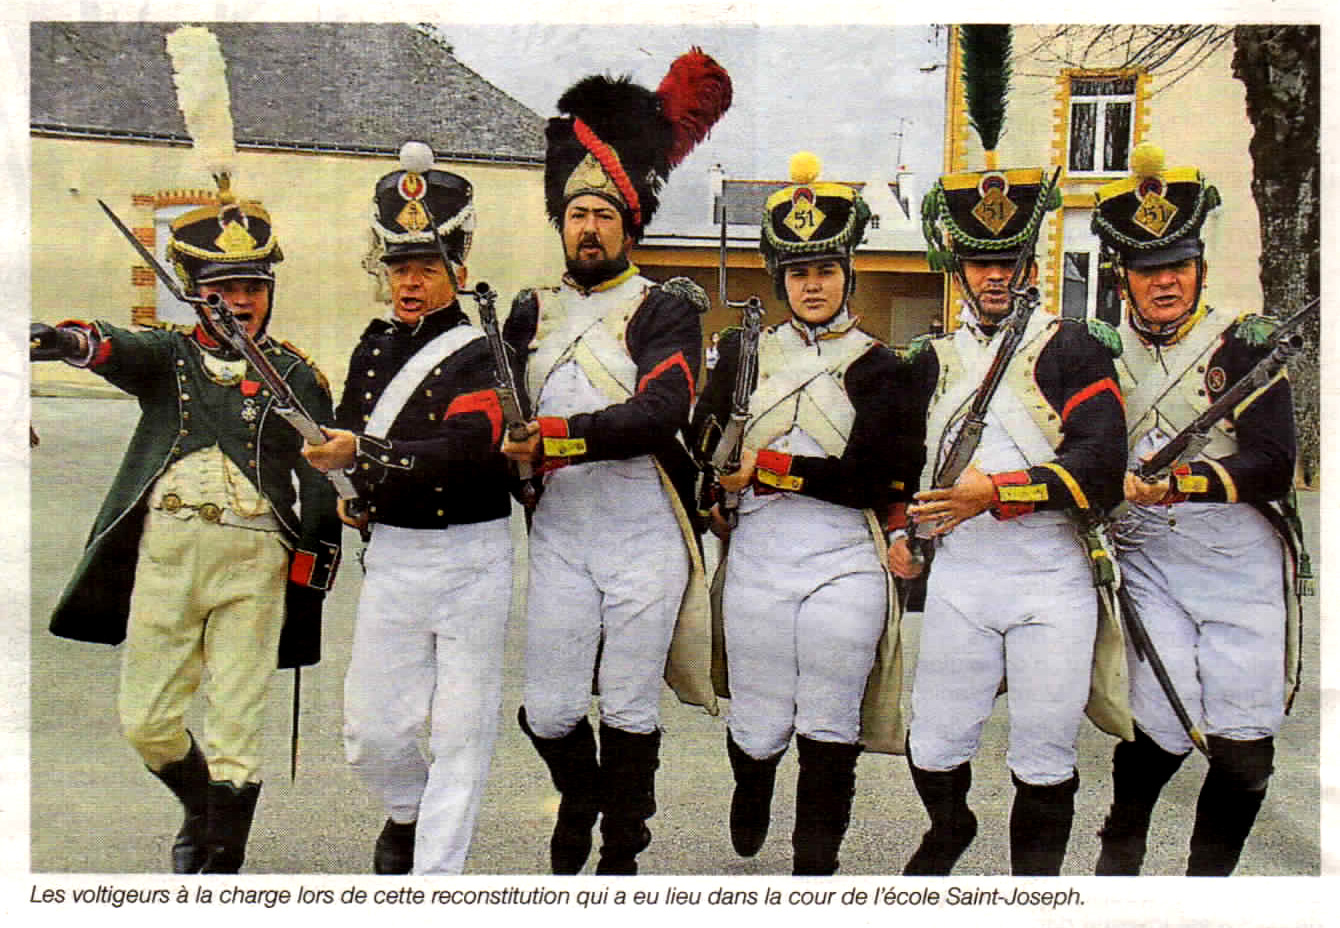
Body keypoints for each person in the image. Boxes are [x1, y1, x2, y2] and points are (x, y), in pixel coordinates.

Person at [30, 178, 341, 873]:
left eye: (253, 287)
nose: (241, 302)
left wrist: (315, 564)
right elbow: (110, 345)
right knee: (147, 723)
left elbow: (321, 475)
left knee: (237, 722)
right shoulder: (168, 357)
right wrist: (64, 339)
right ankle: (201, 809)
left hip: (254, 561)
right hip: (167, 555)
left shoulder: (295, 373)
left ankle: (221, 862)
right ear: (195, 289)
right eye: (224, 287)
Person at [500, 50, 731, 875]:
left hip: (643, 530)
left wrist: (554, 439)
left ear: (630, 224)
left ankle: (622, 848)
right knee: (551, 709)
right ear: (560, 224)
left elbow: (659, 411)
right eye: (575, 214)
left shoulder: (664, 309)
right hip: (563, 531)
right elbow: (495, 409)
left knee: (630, 705)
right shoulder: (528, 312)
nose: (588, 227)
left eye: (604, 214)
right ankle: (584, 798)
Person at [888, 165, 1128, 875]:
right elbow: (905, 466)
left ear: (1031, 261)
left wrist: (994, 492)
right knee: (932, 743)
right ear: (959, 268)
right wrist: (904, 531)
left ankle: (1035, 896)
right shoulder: (930, 359)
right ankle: (951, 823)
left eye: (1010, 262)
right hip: (963, 578)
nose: (996, 277)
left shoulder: (1073, 346)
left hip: (1050, 579)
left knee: (1044, 754)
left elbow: (1102, 464)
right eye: (982, 263)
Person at [692, 153, 925, 875]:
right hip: (760, 552)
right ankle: (753, 783)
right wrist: (718, 481)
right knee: (759, 722)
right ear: (781, 279)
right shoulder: (742, 351)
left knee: (829, 722)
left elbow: (876, 475)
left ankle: (813, 866)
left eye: (825, 270)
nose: (813, 284)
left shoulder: (883, 366)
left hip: (844, 556)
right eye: (799, 273)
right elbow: (703, 438)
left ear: (847, 275)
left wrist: (772, 469)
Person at [301, 143, 514, 876]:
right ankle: (408, 812)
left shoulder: (486, 351)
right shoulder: (372, 346)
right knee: (370, 735)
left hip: (472, 556)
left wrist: (360, 452)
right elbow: (343, 429)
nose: (411, 282)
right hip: (393, 554)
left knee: (460, 733)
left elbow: (468, 446)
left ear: (457, 266)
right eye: (399, 266)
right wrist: (349, 484)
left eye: (425, 266)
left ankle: (435, 884)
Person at [1089, 143, 1301, 876]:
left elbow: (1274, 463)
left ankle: (1207, 890)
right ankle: (1123, 844)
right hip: (1149, 556)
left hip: (1236, 558)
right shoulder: (1100, 353)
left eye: (1178, 266)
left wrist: (1188, 482)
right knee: (1158, 726)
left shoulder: (1244, 344)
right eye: (1149, 270)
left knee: (1244, 755)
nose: (1165, 282)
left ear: (1200, 270)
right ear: (1125, 279)